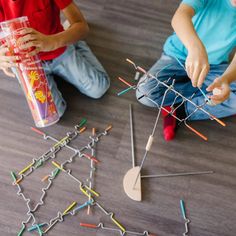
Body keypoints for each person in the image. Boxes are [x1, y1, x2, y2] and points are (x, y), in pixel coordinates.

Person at [136, 0, 236, 141]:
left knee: (226, 93)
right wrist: (195, 48)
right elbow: (180, 16)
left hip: (214, 66)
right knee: (144, 93)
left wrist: (226, 79)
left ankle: (180, 110)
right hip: (176, 56)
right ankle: (193, 96)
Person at [0, 0, 110, 117]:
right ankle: (70, 35)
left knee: (98, 88)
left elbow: (82, 26)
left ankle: (74, 40)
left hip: (58, 48)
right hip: (27, 65)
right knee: (51, 115)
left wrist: (53, 41)